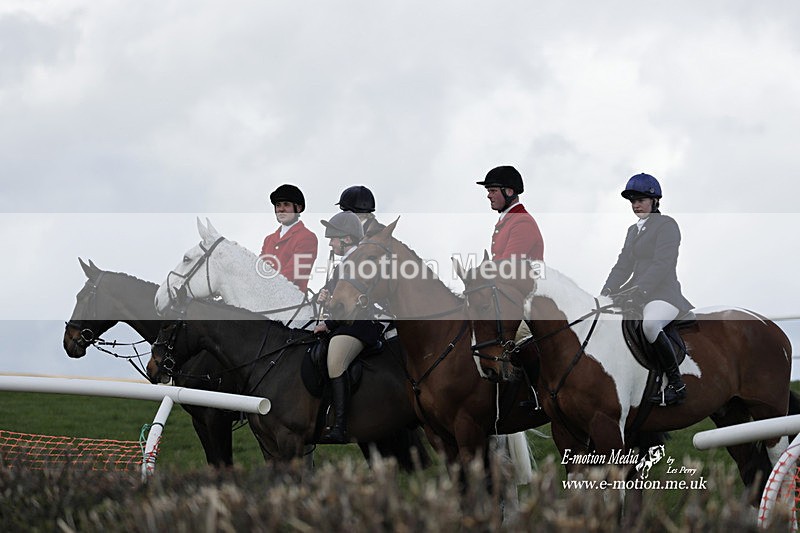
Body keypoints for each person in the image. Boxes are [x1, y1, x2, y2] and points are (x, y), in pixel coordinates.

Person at [601, 173, 694, 406]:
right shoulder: (633, 231)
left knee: (650, 325)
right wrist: (606, 293)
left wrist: (640, 291)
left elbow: (663, 264)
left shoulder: (667, 225)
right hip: (636, 293)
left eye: (641, 199)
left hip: (664, 294)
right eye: (632, 200)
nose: (635, 204)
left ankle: (676, 384)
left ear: (654, 201)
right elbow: (623, 265)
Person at [313, 211, 382, 444]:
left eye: (333, 238)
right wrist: (324, 299)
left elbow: (355, 306)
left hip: (359, 326)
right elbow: (337, 302)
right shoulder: (341, 266)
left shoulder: (360, 262)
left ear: (347, 239)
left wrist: (328, 324)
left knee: (335, 359)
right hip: (342, 324)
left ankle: (341, 426)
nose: (330, 243)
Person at [476, 165, 544, 341]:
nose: (488, 195)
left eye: (492, 190)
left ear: (509, 191)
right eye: (488, 191)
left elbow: (506, 268)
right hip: (506, 299)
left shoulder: (522, 222)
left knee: (516, 339)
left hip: (525, 303)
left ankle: (515, 369)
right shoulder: (507, 220)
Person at [260, 184, 318, 293]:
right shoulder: (269, 239)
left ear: (298, 208)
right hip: (264, 296)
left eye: (286, 205)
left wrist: (262, 289)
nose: (281, 209)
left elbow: (292, 274)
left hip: (291, 300)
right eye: (278, 205)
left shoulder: (307, 237)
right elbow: (260, 268)